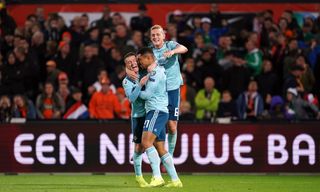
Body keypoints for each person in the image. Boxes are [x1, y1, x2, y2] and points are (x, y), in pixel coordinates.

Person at [137, 47, 182, 188]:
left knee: (145, 142)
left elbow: (147, 95)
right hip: (159, 111)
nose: (139, 63)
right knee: (161, 148)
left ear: (149, 58)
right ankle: (175, 180)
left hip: (156, 111)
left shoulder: (155, 73)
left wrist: (136, 89)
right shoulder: (156, 70)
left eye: (140, 59)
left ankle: (157, 177)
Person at [122, 52, 149, 187]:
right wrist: (139, 84)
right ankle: (139, 177)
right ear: (126, 66)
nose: (132, 63)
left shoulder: (145, 70)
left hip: (151, 112)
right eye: (129, 63)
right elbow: (131, 99)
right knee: (139, 147)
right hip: (138, 116)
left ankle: (158, 176)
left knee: (153, 142)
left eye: (133, 60)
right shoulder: (126, 81)